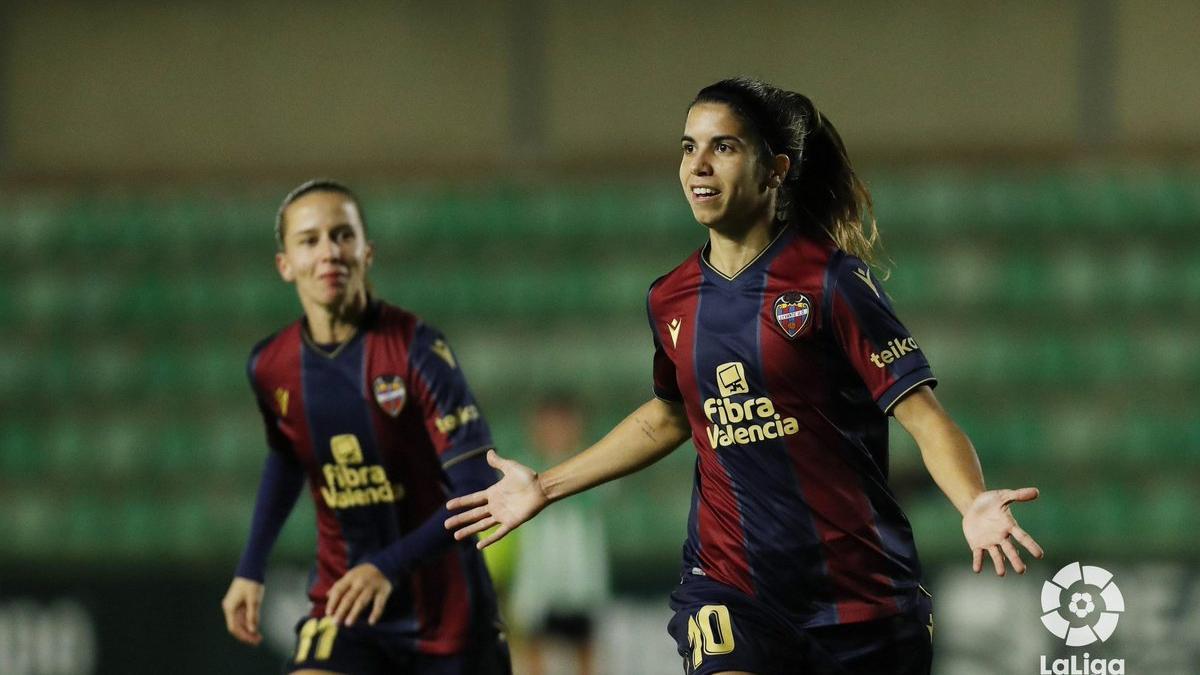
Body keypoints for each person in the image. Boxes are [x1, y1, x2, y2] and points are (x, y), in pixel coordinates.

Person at [445, 77, 1044, 675]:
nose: (698, 165)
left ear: (774, 168)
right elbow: (672, 413)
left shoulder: (831, 283)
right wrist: (545, 487)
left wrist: (973, 501)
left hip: (860, 597)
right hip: (731, 585)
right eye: (688, 147)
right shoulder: (670, 299)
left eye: (723, 147)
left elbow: (923, 416)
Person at [220, 179, 510, 675]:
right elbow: (288, 456)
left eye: (342, 236)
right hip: (345, 600)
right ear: (285, 265)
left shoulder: (417, 350)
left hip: (448, 616)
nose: (329, 252)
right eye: (309, 241)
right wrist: (250, 567)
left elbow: (479, 487)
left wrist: (388, 565)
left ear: (367, 252)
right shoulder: (271, 365)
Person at [509, 394, 610, 675]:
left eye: (563, 424)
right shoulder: (524, 470)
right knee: (534, 652)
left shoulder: (595, 469)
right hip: (536, 584)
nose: (556, 433)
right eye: (549, 425)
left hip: (581, 582)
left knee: (584, 650)